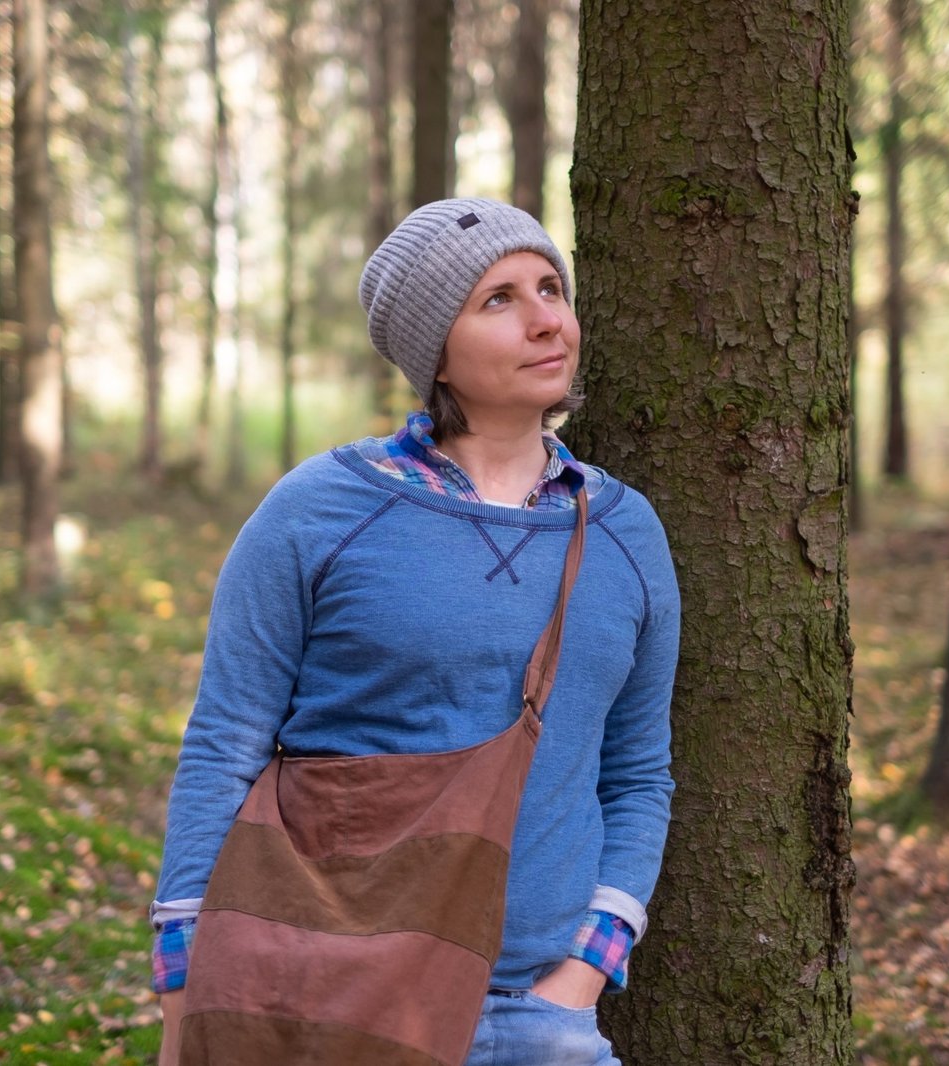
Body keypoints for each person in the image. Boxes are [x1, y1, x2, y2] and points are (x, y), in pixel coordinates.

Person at [151, 198, 679, 1066]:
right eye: (499, 299)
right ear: (435, 348)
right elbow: (223, 746)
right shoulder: (319, 512)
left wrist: (583, 972)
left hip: (532, 1014)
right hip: (322, 995)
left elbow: (638, 773)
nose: (548, 319)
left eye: (551, 287)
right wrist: (183, 993)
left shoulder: (627, 535)